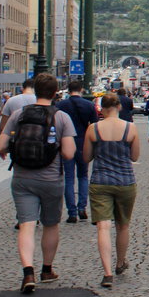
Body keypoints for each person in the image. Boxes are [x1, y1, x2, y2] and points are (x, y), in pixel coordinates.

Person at [0, 73, 78, 294]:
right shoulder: (61, 117)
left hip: (22, 178)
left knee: (27, 225)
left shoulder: (19, 114)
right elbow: (69, 154)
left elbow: (0, 144)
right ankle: (47, 270)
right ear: (54, 93)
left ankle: (28, 271)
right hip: (51, 179)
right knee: (50, 224)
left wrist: (8, 149)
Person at [84, 92, 141, 288]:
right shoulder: (130, 128)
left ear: (101, 108)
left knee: (103, 226)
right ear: (119, 107)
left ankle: (107, 273)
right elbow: (134, 157)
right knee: (123, 225)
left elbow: (86, 157)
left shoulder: (93, 129)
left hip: (100, 181)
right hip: (125, 181)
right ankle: (120, 262)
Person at [56, 80, 99, 224]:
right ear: (81, 89)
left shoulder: (61, 105)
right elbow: (94, 125)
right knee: (83, 176)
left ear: (68, 90)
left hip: (66, 142)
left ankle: (72, 212)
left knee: (68, 177)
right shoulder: (89, 105)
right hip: (83, 143)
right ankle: (82, 208)